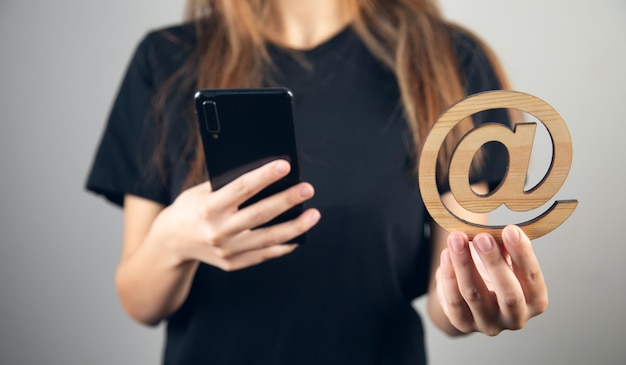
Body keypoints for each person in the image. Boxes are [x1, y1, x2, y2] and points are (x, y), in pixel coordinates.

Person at [86, 0, 548, 364]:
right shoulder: (165, 59)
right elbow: (139, 301)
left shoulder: (447, 61)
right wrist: (172, 243)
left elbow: (449, 299)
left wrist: (475, 299)